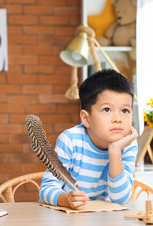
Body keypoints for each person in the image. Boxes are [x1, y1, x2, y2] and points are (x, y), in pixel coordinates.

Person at [39, 69, 138, 210]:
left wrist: (115, 150)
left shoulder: (127, 144)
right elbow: (46, 189)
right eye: (107, 110)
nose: (118, 119)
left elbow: (120, 197)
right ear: (86, 118)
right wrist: (66, 199)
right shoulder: (70, 141)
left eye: (125, 111)